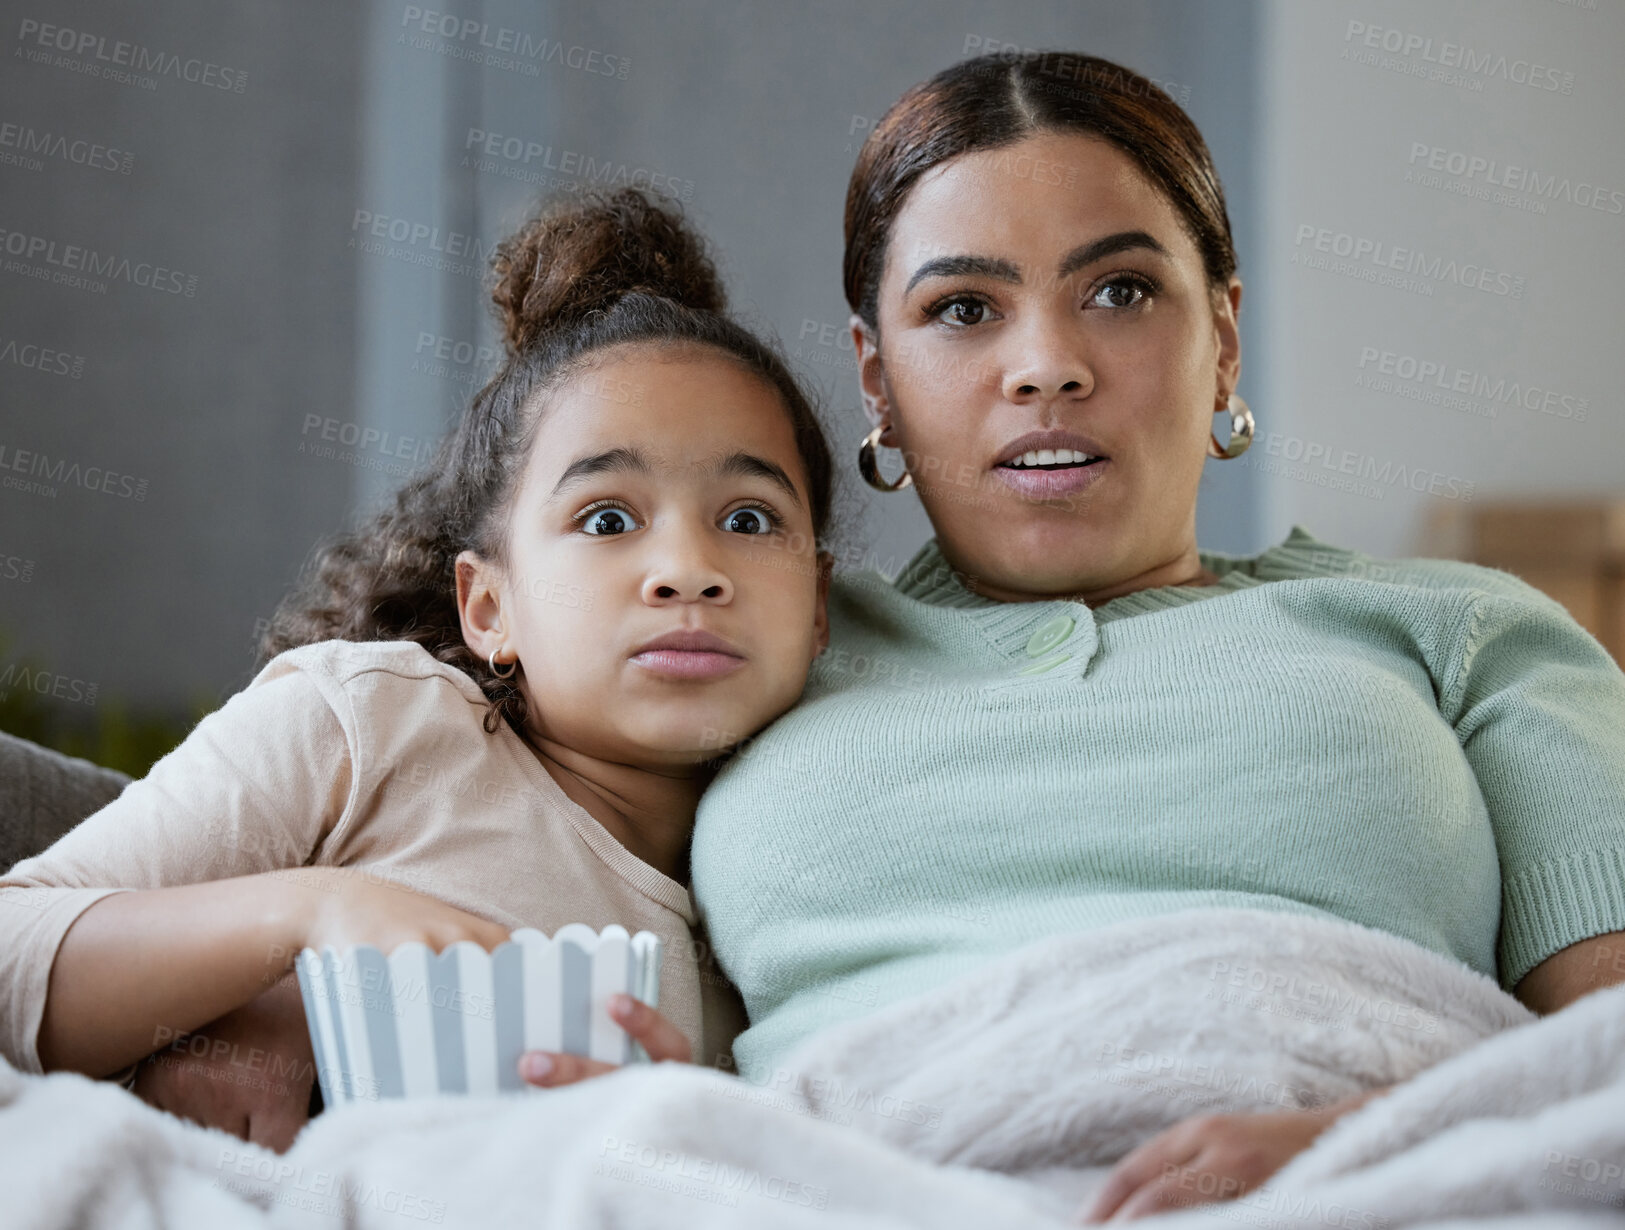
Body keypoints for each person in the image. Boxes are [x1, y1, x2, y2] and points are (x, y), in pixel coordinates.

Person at [687, 50, 1625, 1220]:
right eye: (962, 310)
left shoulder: (1464, 634)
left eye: (1119, 290)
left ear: (1222, 339)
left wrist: (1359, 1139)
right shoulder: (735, 642)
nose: (1046, 368)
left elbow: (1607, 1062)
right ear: (876, 379)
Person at [0, 187, 836, 1151]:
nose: (690, 570)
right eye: (607, 518)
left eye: (749, 519)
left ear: (817, 609)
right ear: (490, 607)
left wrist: (678, 1129)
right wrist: (308, 921)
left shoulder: (800, 897)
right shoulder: (370, 727)